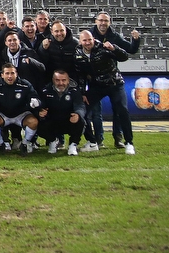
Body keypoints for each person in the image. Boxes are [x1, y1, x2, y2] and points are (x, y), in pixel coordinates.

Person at [89, 11, 143, 148]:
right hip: (96, 81)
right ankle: (98, 140)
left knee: (119, 110)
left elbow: (130, 50)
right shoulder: (89, 35)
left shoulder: (114, 36)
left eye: (105, 21)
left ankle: (119, 138)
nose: (103, 23)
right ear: (96, 21)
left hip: (113, 79)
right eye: (100, 20)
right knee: (95, 112)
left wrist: (136, 40)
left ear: (109, 22)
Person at [77, 30, 135, 155]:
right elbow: (80, 75)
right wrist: (82, 93)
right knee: (81, 111)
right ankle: (92, 142)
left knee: (122, 110)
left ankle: (129, 142)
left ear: (93, 39)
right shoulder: (77, 53)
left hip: (114, 83)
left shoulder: (103, 47)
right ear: (80, 41)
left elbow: (124, 57)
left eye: (89, 40)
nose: (87, 43)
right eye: (84, 40)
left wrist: (114, 48)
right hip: (97, 86)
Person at [0, 63, 41, 154]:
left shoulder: (25, 85)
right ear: (2, 75)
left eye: (12, 73)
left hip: (21, 114)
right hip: (3, 114)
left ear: (16, 74)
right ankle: (1, 144)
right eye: (7, 73)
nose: (10, 76)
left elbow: (36, 98)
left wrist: (36, 103)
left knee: (33, 122)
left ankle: (25, 144)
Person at [37, 70, 85, 156]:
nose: (61, 83)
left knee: (81, 121)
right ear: (53, 80)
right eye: (57, 80)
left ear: (68, 80)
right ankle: (53, 141)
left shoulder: (75, 91)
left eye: (63, 80)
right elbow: (40, 105)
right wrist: (40, 111)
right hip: (52, 121)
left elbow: (80, 106)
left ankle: (73, 145)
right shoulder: (46, 91)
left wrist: (78, 114)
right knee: (37, 121)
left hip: (68, 121)